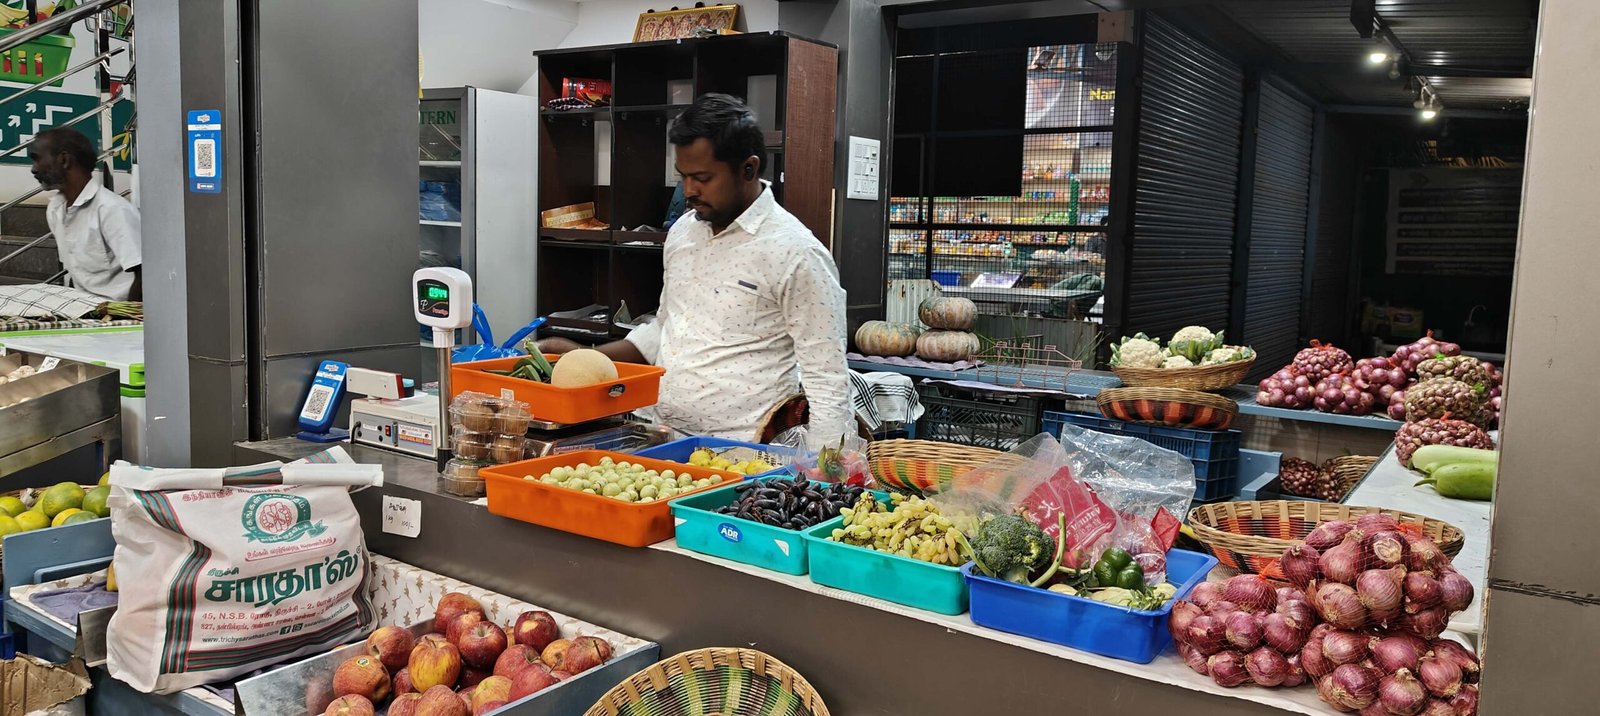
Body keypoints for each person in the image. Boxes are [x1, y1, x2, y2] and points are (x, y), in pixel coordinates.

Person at [540, 93, 851, 449]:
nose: (688, 191)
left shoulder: (796, 253)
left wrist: (827, 469)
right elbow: (667, 327)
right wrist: (584, 356)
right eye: (683, 177)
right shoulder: (683, 233)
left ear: (748, 169)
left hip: (744, 452)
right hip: (661, 436)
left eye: (702, 178)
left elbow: (826, 377)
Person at [30, 127, 142, 301]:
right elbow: (76, 273)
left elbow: (144, 276)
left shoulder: (112, 209)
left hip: (118, 312)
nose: (34, 169)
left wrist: (126, 315)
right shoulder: (55, 209)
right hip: (82, 308)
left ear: (64, 160)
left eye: (37, 159)